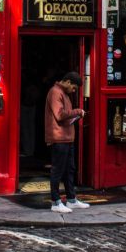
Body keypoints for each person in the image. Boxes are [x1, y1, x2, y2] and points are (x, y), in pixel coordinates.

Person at [44, 70, 88, 213]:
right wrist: (76, 112)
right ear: (68, 82)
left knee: (70, 170)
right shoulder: (55, 92)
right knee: (58, 170)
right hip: (59, 138)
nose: (74, 90)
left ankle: (71, 199)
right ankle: (56, 202)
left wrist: (75, 115)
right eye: (74, 87)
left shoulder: (65, 94)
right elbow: (60, 114)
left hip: (67, 138)